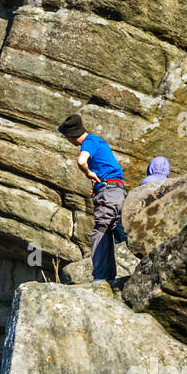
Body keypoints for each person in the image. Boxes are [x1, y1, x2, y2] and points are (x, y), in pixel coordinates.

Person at [57, 113, 127, 282]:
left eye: (67, 137)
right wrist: (97, 185)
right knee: (120, 231)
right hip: (116, 190)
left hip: (110, 191)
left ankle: (102, 278)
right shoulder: (97, 141)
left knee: (101, 230)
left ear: (71, 135)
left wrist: (88, 173)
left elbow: (81, 161)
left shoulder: (89, 142)